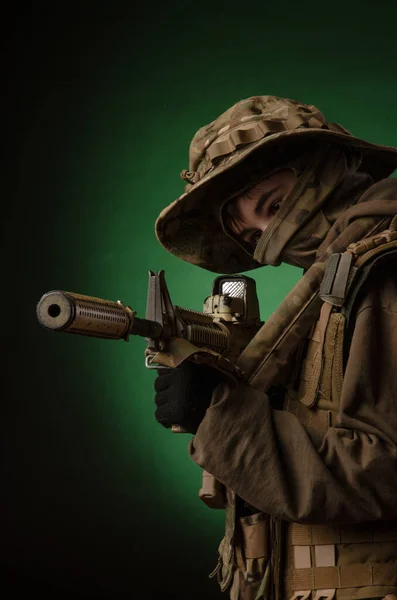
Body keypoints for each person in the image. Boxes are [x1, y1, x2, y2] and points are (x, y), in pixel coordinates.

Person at [153, 95, 397, 600]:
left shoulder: (383, 275)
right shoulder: (331, 286)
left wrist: (221, 416)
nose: (271, 237)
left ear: (326, 165)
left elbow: (385, 469)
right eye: (249, 233)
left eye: (275, 205)